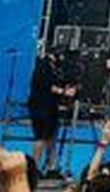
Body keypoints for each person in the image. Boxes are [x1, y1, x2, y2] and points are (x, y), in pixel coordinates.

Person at [28, 47, 75, 175]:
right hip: (40, 107)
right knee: (41, 138)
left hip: (50, 107)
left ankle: (51, 167)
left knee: (51, 137)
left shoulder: (54, 68)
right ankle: (33, 168)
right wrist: (64, 92)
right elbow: (47, 85)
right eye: (59, 56)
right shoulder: (43, 66)